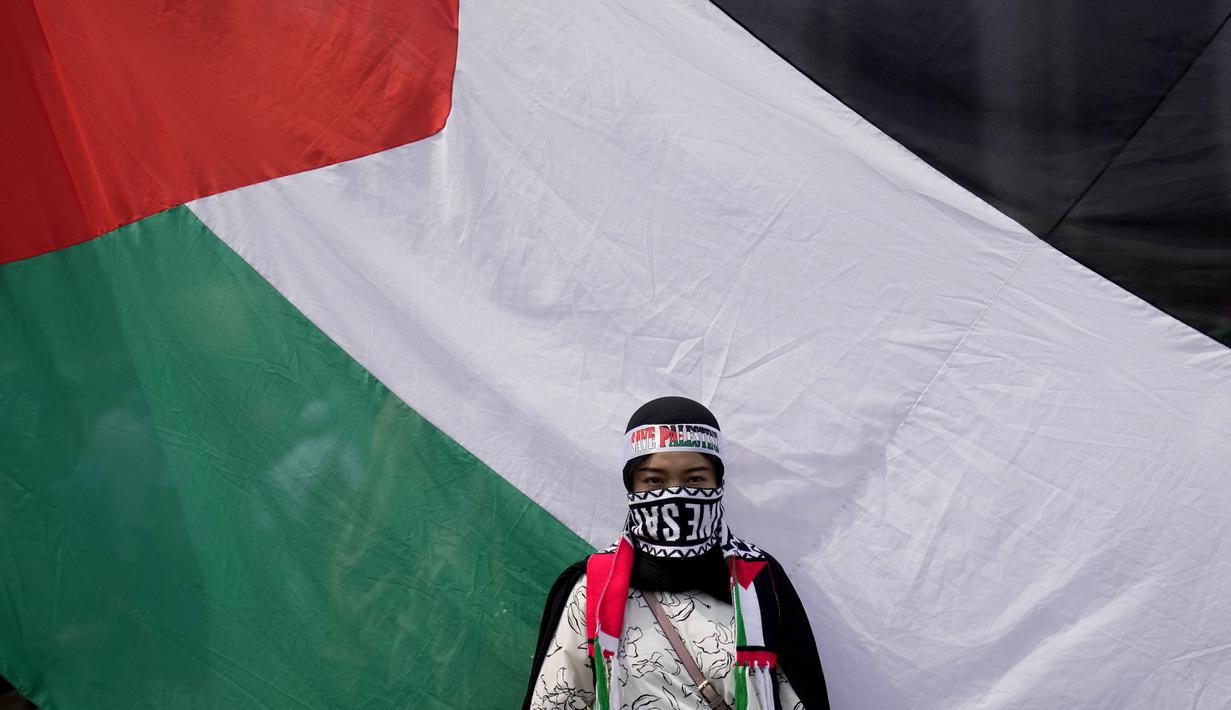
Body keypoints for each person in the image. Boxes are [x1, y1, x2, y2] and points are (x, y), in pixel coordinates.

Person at [522, 396, 830, 710]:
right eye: (654, 481)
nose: (676, 493)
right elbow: (557, 700)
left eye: (695, 479)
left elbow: (800, 699)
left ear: (718, 482)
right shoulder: (595, 588)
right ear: (632, 487)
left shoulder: (757, 580)